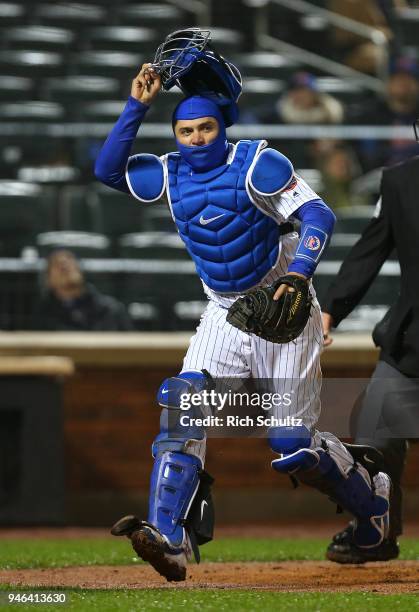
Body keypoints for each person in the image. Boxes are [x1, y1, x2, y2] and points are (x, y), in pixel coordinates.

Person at [94, 29, 391, 582]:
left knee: (292, 447)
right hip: (224, 310)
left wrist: (300, 273)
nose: (197, 138)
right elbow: (108, 170)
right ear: (176, 133)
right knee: (184, 403)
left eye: (206, 128)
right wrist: (136, 106)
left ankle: (372, 498)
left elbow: (319, 216)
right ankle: (169, 538)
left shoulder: (257, 163)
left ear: (222, 128)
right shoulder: (170, 171)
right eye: (186, 130)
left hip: (283, 301)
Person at [322, 143, 419, 562]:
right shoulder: (401, 180)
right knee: (374, 437)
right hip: (411, 342)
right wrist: (331, 308)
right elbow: (371, 247)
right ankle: (377, 531)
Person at [34, 249, 133, 331]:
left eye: (69, 259)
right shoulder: (41, 317)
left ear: (81, 272)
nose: (64, 264)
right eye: (56, 263)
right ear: (48, 280)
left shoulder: (112, 310)